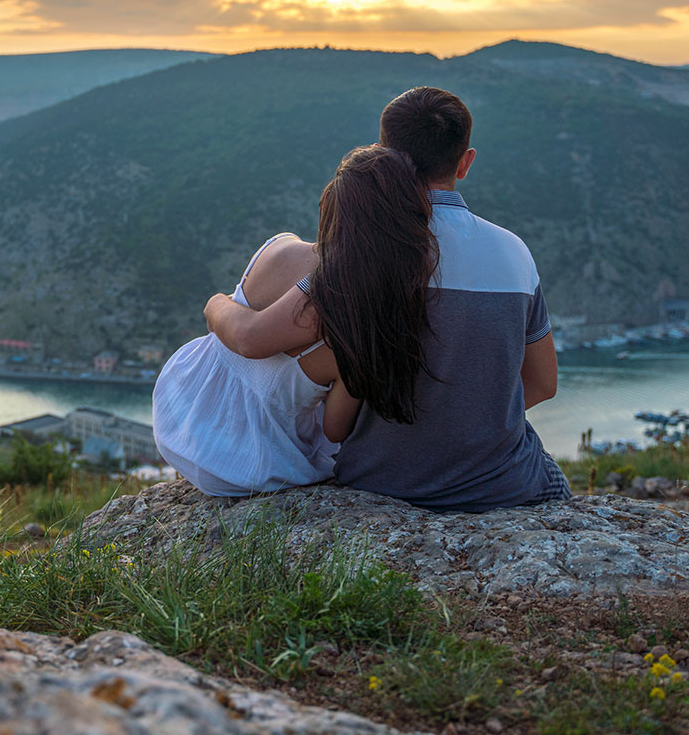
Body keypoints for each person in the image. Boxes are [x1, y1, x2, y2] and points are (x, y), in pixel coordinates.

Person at [204, 87, 569, 512]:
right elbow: (543, 383)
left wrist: (214, 303)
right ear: (465, 162)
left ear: (382, 155)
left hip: (380, 483)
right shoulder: (515, 254)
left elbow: (253, 340)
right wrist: (467, 413)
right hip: (503, 486)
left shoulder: (361, 257)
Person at [154, 145, 435, 497]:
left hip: (183, 416)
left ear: (332, 203)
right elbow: (334, 430)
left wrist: (215, 303)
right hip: (254, 466)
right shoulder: (365, 331)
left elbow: (242, 335)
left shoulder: (281, 249)